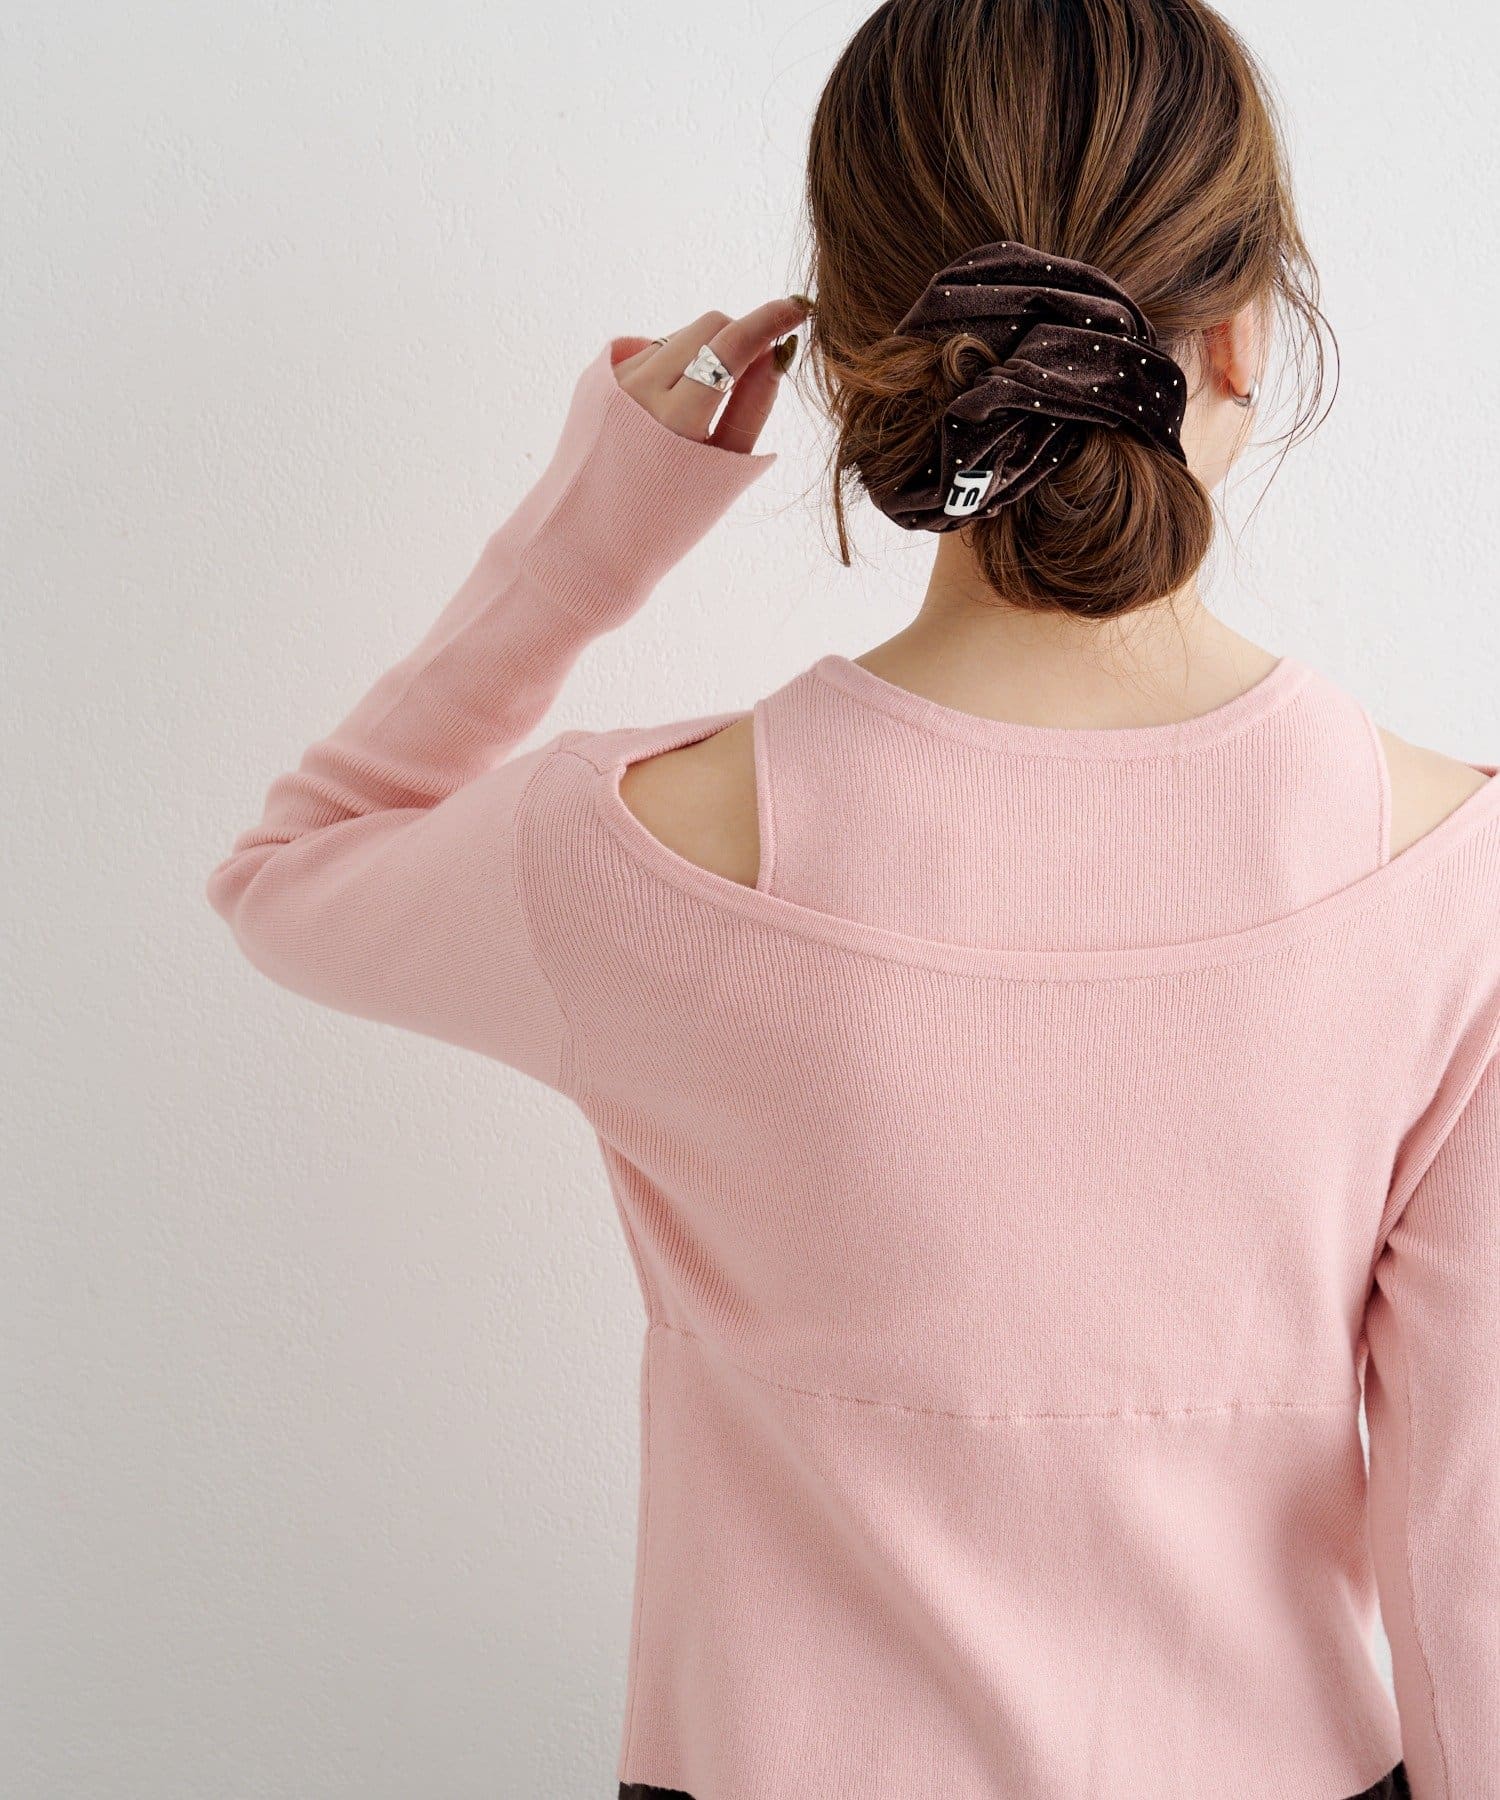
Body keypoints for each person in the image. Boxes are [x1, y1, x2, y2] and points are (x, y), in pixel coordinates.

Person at [205, 1, 1498, 1794]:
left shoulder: (637, 853)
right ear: (1241, 337)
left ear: (863, 357)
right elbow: (1472, 1566)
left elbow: (291, 872)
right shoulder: (1455, 887)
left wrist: (601, 527)